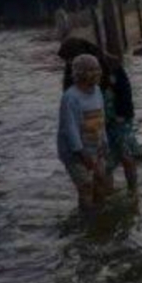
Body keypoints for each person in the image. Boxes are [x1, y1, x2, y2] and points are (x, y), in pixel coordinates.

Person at [58, 38, 142, 195]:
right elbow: (69, 105)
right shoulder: (74, 72)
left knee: (126, 154)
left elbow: (125, 91)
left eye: (70, 59)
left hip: (118, 116)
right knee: (106, 161)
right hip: (94, 122)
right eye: (67, 61)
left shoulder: (108, 64)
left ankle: (133, 190)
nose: (69, 63)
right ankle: (108, 194)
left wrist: (122, 114)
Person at [57, 54, 107, 211]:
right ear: (80, 74)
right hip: (75, 152)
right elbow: (69, 128)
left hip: (95, 145)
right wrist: (81, 152)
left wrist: (104, 141)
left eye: (98, 69)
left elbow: (101, 117)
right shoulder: (71, 97)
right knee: (85, 185)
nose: (97, 73)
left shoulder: (98, 91)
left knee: (100, 180)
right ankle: (87, 221)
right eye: (92, 70)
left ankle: (100, 214)